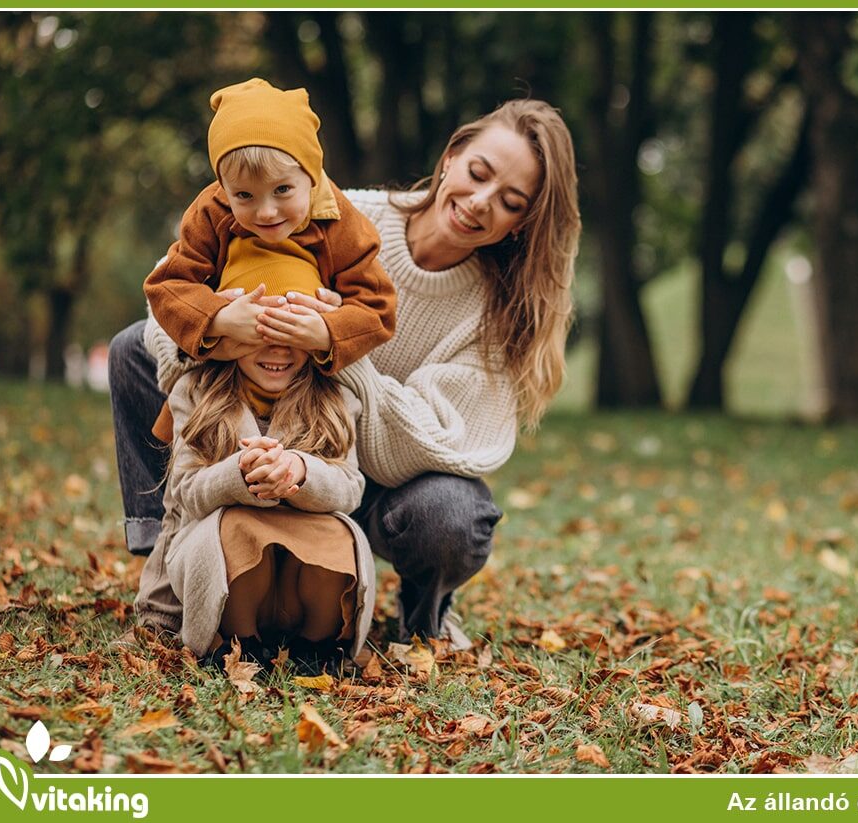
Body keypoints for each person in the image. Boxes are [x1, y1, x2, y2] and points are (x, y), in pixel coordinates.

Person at [116, 98, 580, 650]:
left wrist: (334, 345)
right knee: (130, 350)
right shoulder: (332, 211)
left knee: (454, 512)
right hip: (252, 436)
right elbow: (165, 310)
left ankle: (423, 613)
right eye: (478, 174)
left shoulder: (500, 311)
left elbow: (431, 446)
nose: (480, 203)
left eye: (510, 201)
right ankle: (168, 562)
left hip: (368, 480)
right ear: (452, 157)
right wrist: (220, 326)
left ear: (523, 220)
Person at [142, 255, 376, 675]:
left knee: (339, 533)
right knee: (237, 527)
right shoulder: (196, 393)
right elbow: (186, 493)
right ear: (230, 333)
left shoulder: (334, 398)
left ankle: (316, 649)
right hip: (234, 581)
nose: (278, 348)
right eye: (261, 331)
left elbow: (350, 486)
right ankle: (239, 646)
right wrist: (239, 474)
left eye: (292, 332)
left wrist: (299, 473)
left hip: (300, 583)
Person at [143, 76, 396, 460]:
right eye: (244, 195)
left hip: (304, 376)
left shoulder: (339, 221)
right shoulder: (212, 211)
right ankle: (158, 513)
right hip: (227, 370)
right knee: (193, 446)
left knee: (306, 456)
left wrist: (327, 330)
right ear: (223, 188)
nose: (265, 211)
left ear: (310, 176)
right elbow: (168, 285)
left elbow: (377, 306)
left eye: (282, 191)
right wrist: (219, 319)